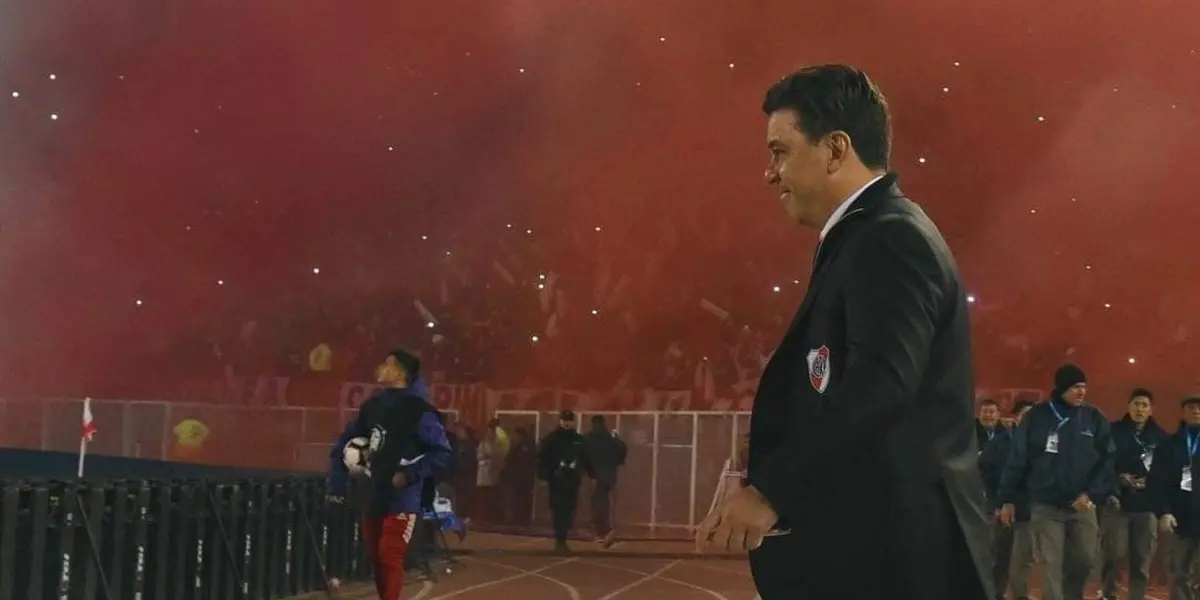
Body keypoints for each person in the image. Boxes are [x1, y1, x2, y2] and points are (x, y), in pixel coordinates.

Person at [695, 64, 992, 600]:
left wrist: (772, 491)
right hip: (884, 553)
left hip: (893, 561)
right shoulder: (871, 235)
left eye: (780, 152)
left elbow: (879, 386)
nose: (770, 174)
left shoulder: (889, 239)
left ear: (835, 149)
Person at [326, 348, 452, 600]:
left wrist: (408, 474)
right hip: (374, 493)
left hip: (403, 498)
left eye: (388, 363)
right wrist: (338, 480)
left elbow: (442, 453)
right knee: (375, 556)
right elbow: (345, 442)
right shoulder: (373, 406)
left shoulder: (419, 411)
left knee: (390, 553)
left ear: (400, 373)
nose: (381, 368)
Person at [998, 364, 1114, 600]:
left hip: (1083, 505)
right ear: (1062, 388)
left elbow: (1108, 460)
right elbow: (1017, 458)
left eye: (1084, 387)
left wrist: (1092, 494)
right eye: (1075, 387)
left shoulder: (1094, 417)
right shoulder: (1036, 416)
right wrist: (1007, 498)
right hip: (1045, 505)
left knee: (1084, 560)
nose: (1081, 392)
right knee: (1051, 564)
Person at [1100, 388, 1166, 600]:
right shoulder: (1113, 432)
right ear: (1128, 406)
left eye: (1144, 405)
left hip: (1147, 506)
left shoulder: (1161, 437)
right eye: (1136, 404)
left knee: (1142, 559)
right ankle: (1108, 594)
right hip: (1117, 502)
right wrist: (1118, 479)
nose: (1140, 409)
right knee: (1113, 555)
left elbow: (1168, 471)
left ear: (1151, 410)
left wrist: (1152, 482)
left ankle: (1137, 596)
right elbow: (1101, 464)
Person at [980, 400, 1037, 600]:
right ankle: (995, 594)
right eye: (1026, 415)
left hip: (1028, 511)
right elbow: (986, 473)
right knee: (998, 557)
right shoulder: (1000, 442)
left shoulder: (1043, 445)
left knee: (1023, 559)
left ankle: (1020, 595)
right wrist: (997, 504)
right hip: (1001, 509)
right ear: (1017, 417)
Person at [1147, 396, 1200, 600]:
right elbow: (1157, 481)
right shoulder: (1168, 445)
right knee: (1179, 573)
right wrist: (1164, 512)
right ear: (1183, 412)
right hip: (1180, 519)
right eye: (1191, 407)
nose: (1196, 411)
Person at [538, 410, 594, 554]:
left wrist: (591, 473)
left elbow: (586, 457)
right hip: (557, 481)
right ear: (561, 421)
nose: (567, 423)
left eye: (569, 420)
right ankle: (560, 541)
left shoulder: (578, 439)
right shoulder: (552, 439)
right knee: (559, 510)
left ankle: (562, 538)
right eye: (565, 420)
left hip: (572, 480)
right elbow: (543, 458)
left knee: (569, 510)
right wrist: (544, 475)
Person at [583, 415, 627, 547]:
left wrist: (590, 473)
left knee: (597, 502)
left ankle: (601, 530)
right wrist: (617, 461)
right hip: (609, 475)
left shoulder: (589, 439)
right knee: (606, 502)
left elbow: (584, 456)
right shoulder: (610, 438)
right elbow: (621, 449)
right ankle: (605, 527)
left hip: (595, 476)